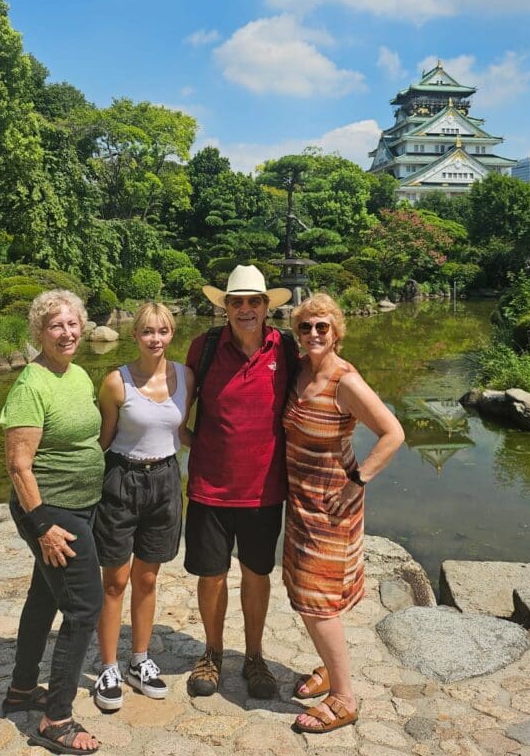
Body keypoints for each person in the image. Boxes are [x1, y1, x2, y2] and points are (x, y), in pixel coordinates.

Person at [283, 293, 405, 735]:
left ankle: (344, 697)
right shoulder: (299, 372)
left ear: (337, 332)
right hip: (300, 504)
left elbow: (393, 433)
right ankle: (331, 670)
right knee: (303, 593)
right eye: (306, 327)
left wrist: (359, 482)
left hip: (332, 506)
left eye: (323, 327)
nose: (314, 334)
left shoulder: (344, 381)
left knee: (319, 602)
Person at [182, 265, 294, 700]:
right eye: (236, 301)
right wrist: (195, 443)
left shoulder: (285, 347)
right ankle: (212, 652)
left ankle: (253, 655)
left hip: (264, 490)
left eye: (254, 301)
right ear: (225, 307)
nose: (245, 309)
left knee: (256, 573)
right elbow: (176, 406)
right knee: (211, 575)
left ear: (267, 307)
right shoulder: (204, 347)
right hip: (210, 487)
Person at [0, 290, 104, 755]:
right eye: (55, 326)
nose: (67, 333)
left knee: (44, 597)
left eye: (72, 324)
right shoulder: (31, 384)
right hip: (52, 512)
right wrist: (41, 525)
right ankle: (56, 719)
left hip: (80, 506)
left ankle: (22, 690)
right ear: (39, 332)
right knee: (83, 609)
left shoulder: (77, 374)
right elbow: (19, 464)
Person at [91, 302, 194, 712]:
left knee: (147, 578)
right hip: (121, 480)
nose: (156, 339)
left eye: (163, 331)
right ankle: (109, 665)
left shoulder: (186, 377)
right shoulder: (115, 382)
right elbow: (104, 438)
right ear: (134, 335)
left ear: (172, 334)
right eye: (148, 331)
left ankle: (139, 659)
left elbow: (182, 430)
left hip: (166, 481)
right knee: (114, 580)